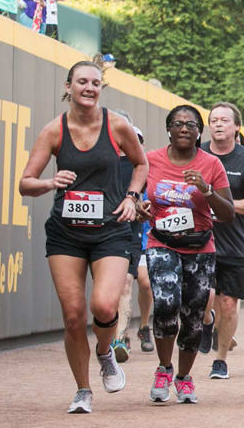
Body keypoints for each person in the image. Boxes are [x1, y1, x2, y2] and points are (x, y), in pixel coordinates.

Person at [17, 61, 146, 413]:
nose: (89, 88)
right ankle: (83, 390)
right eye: (82, 82)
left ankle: (105, 352)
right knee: (73, 315)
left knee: (103, 305)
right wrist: (49, 182)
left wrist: (132, 198)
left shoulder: (116, 126)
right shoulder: (54, 131)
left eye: (95, 83)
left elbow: (141, 163)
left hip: (110, 231)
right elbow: (24, 183)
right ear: (69, 86)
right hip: (66, 234)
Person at [143, 105, 235, 404]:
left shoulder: (211, 164)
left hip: (199, 247)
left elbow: (229, 212)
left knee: (194, 314)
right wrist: (140, 206)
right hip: (162, 243)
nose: (184, 128)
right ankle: (164, 368)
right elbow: (134, 195)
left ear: (199, 132)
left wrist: (207, 190)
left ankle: (183, 378)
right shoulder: (151, 161)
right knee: (166, 304)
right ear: (168, 129)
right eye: (178, 123)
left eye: (191, 124)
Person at [201, 102, 244, 380]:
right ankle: (205, 321)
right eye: (213, 119)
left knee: (228, 303)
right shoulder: (197, 153)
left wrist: (224, 206)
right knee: (204, 297)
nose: (218, 124)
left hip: (234, 243)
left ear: (236, 127)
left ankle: (221, 359)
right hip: (199, 240)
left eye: (224, 120)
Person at [109, 113, 149, 361]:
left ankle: (118, 340)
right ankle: (111, 335)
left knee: (128, 283)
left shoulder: (141, 164)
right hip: (99, 233)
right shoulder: (98, 159)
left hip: (131, 233)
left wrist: (142, 207)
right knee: (107, 294)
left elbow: (151, 196)